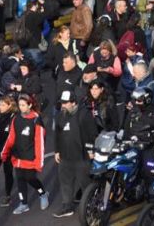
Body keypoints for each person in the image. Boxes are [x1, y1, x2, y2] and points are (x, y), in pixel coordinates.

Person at [0, 95, 48, 215]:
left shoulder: (36, 120)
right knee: (20, 179)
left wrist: (39, 162)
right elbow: (11, 138)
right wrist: (4, 153)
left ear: (30, 105)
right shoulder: (16, 119)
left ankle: (43, 193)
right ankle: (24, 203)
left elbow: (39, 143)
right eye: (19, 105)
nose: (20, 108)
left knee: (30, 178)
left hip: (31, 157)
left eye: (23, 105)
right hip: (18, 157)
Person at [52, 90, 96, 219]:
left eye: (66, 103)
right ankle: (67, 206)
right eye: (62, 103)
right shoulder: (60, 115)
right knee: (65, 183)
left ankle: (90, 206)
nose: (63, 105)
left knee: (85, 183)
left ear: (74, 102)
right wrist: (57, 151)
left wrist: (91, 150)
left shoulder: (84, 115)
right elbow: (57, 135)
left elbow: (92, 134)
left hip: (81, 157)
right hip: (65, 156)